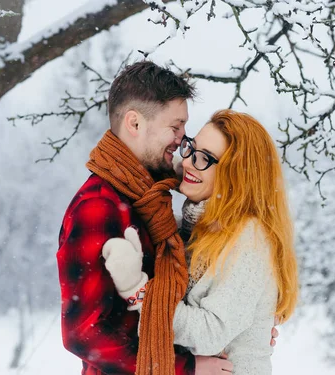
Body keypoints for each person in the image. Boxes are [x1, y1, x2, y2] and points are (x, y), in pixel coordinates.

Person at [56, 61, 235, 375]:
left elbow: (176, 296)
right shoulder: (99, 205)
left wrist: (245, 318)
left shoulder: (148, 200)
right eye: (175, 127)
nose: (182, 140)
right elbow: (83, 333)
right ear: (135, 123)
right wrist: (184, 369)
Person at [103, 109, 299, 375]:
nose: (187, 162)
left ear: (237, 176)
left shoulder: (249, 239)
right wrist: (165, 173)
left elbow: (210, 331)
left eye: (205, 158)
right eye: (191, 149)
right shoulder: (195, 229)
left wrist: (138, 290)